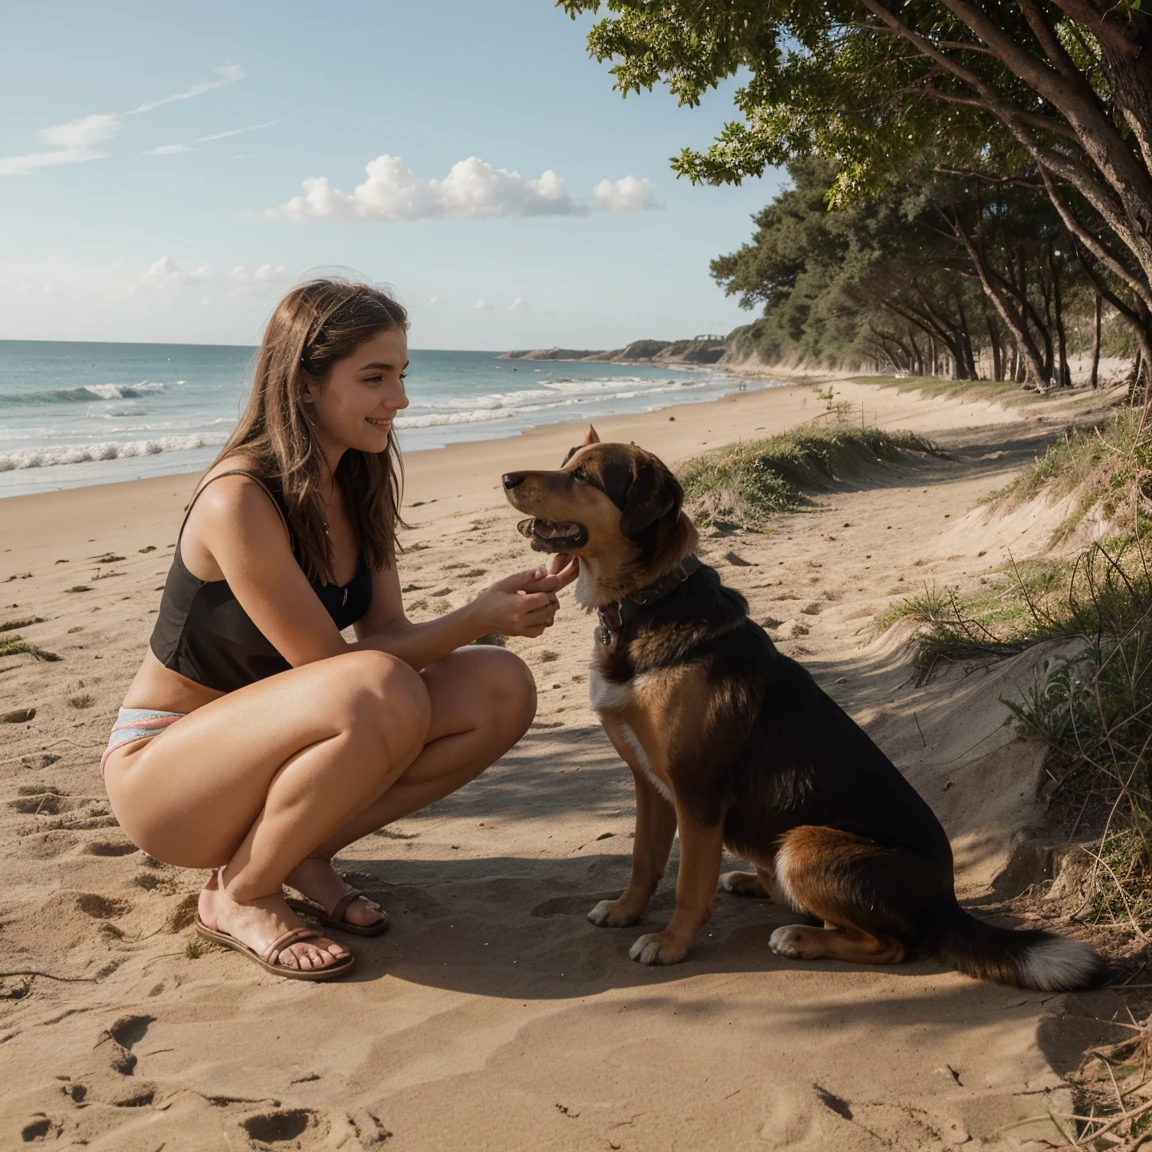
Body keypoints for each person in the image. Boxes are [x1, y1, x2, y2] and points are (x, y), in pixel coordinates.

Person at [101, 279, 577, 980]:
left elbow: (386, 634)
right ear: (303, 385)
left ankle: (295, 853)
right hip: (170, 775)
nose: (401, 399)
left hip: (285, 750)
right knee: (375, 689)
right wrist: (477, 615)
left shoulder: (360, 483)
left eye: (402, 375)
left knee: (498, 684)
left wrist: (487, 620)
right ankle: (242, 891)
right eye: (375, 378)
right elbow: (330, 668)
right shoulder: (239, 498)